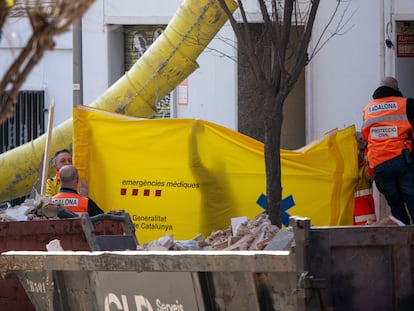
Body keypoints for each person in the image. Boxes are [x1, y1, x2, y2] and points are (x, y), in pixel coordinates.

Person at [362, 76, 414, 224]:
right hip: (402, 159)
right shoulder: (406, 104)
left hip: (379, 164)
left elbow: (367, 135)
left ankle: (401, 241)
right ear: (396, 89)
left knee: (396, 206)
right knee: (412, 199)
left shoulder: (368, 109)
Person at [354, 132, 376, 225]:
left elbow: (371, 170)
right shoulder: (344, 172)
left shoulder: (365, 169)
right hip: (351, 223)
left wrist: (367, 147)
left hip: (366, 222)